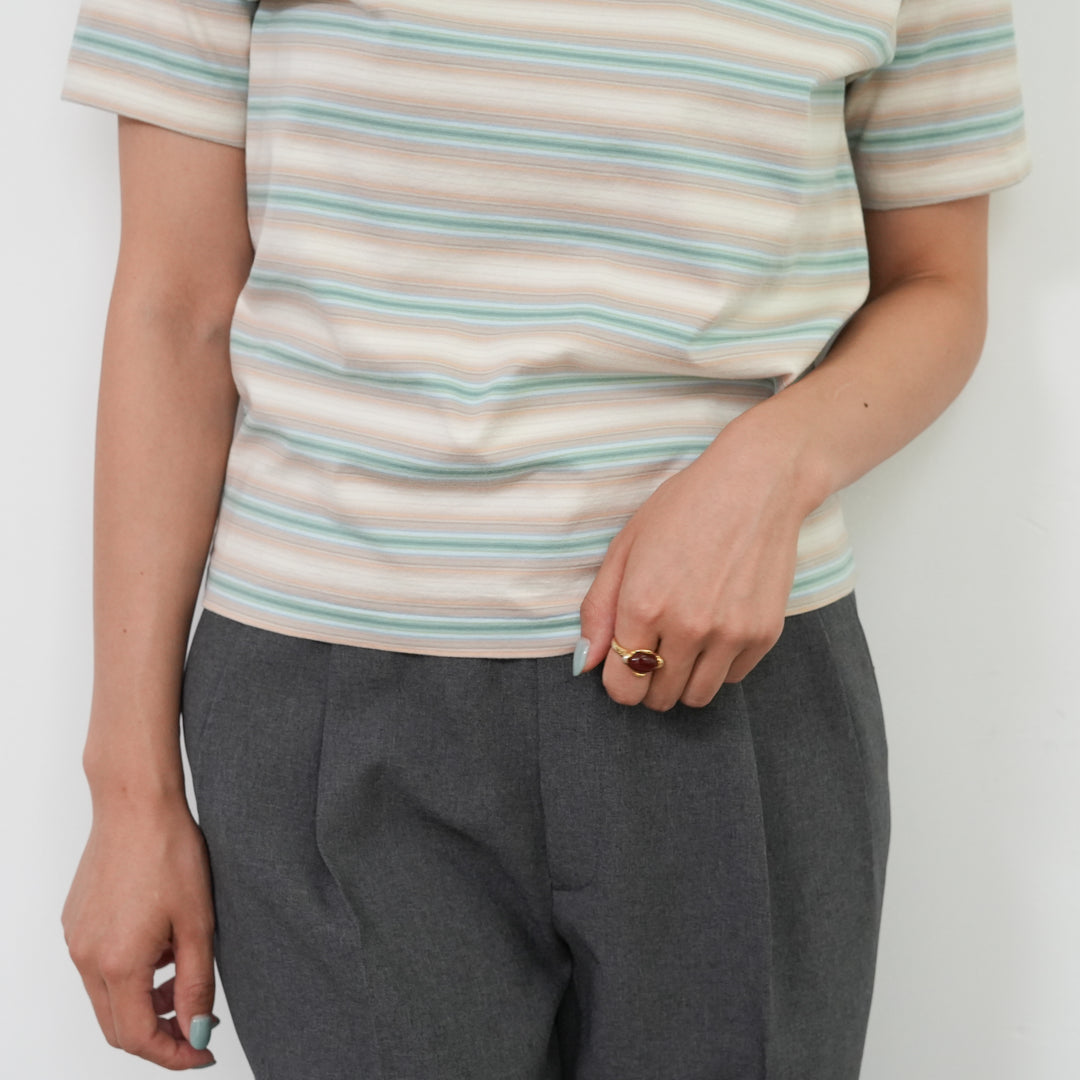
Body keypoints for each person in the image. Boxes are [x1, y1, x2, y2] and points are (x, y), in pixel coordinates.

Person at [58, 1, 1030, 1076]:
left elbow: (938, 282)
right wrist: (129, 794)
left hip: (733, 683)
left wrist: (772, 468)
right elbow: (176, 305)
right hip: (329, 700)